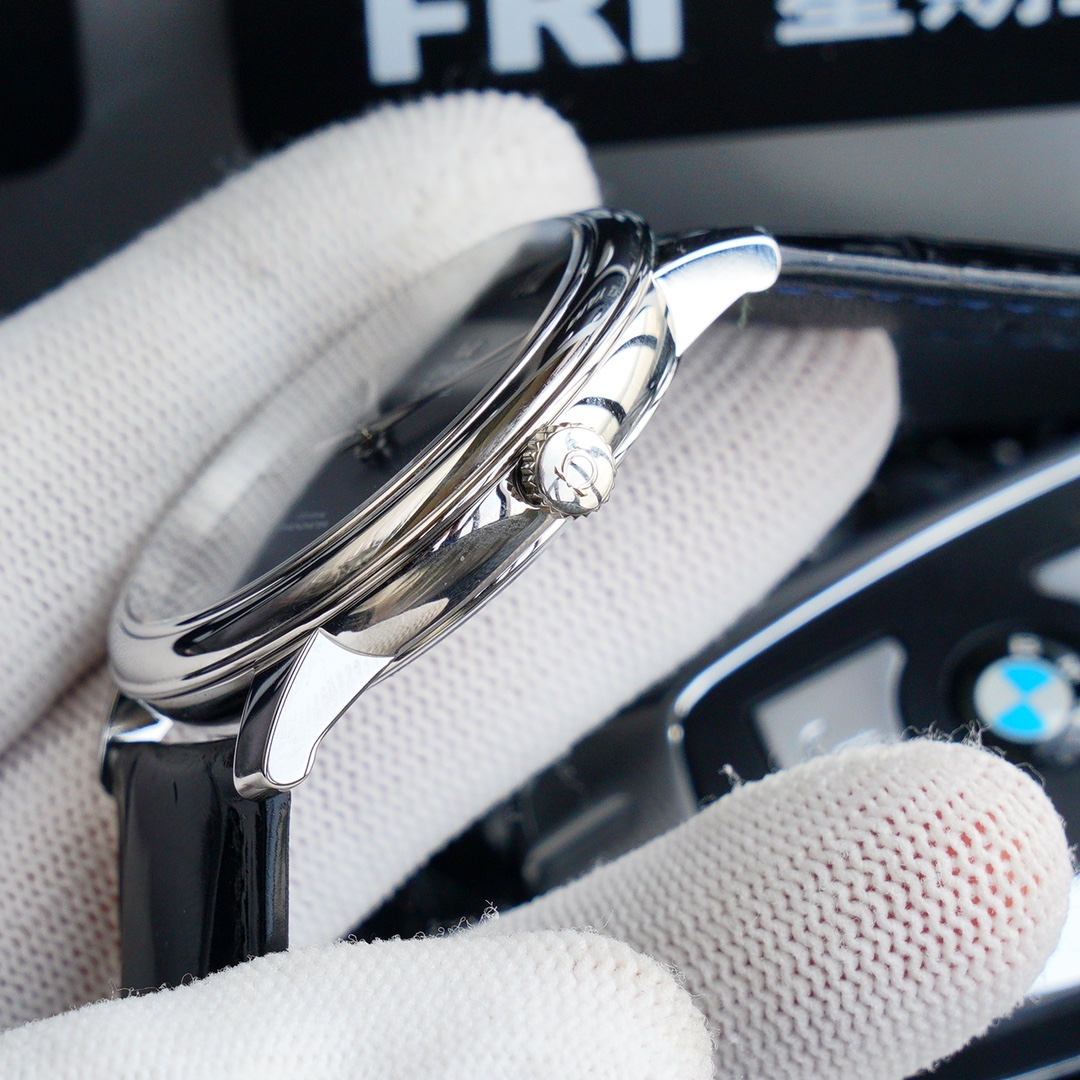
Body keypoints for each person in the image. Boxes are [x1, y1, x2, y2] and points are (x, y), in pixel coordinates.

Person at [0, 91, 1069, 1078]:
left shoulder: (192, 739)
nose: (374, 437)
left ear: (563, 470)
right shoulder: (179, 726)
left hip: (212, 660)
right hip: (190, 648)